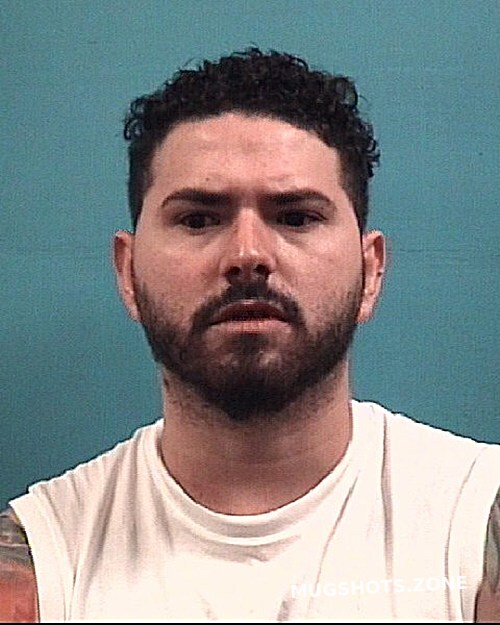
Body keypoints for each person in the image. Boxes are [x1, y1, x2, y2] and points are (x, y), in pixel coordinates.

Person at [1, 47, 499, 623]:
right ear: (128, 273)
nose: (247, 254)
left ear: (370, 273)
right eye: (198, 219)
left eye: (296, 217)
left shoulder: (475, 520)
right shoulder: (43, 559)